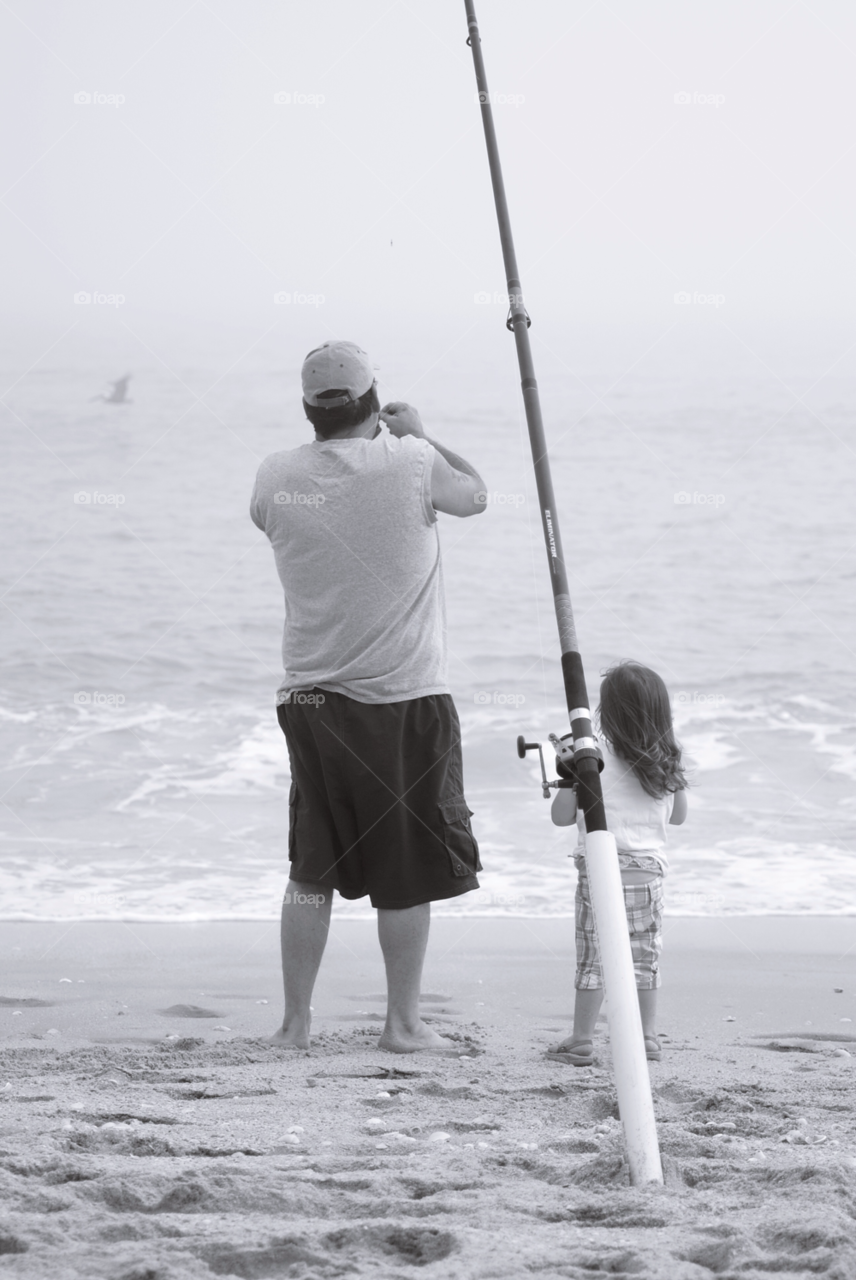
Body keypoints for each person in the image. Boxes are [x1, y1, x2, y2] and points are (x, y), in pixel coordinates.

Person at [250, 340, 486, 1053]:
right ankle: (403, 1024)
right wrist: (419, 432)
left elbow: (271, 518)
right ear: (370, 399)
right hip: (402, 700)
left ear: (307, 409)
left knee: (311, 866)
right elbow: (475, 496)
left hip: (311, 702)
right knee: (405, 866)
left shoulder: (276, 475)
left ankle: (294, 1025)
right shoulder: (410, 461)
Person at [548, 661, 688, 1065]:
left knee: (594, 957)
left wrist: (570, 774)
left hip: (600, 870)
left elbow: (561, 817)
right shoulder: (667, 759)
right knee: (644, 956)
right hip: (648, 873)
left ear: (605, 713)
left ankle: (581, 1039)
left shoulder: (591, 757)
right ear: (662, 712)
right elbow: (677, 817)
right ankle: (646, 1037)